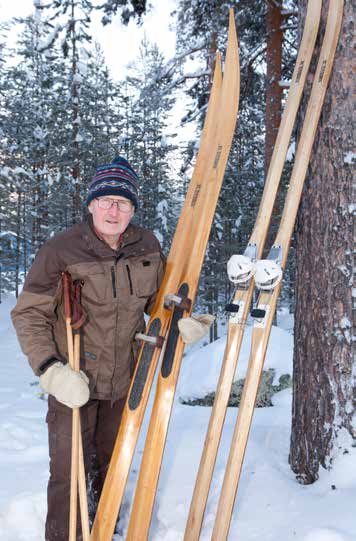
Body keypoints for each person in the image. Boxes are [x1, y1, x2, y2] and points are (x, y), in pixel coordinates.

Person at [11, 156, 166, 540]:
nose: (114, 210)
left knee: (111, 465)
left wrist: (182, 321)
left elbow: (158, 302)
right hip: (73, 381)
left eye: (123, 203)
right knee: (70, 472)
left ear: (133, 209)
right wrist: (51, 370)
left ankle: (103, 529)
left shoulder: (147, 245)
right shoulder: (60, 251)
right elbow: (28, 314)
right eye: (106, 201)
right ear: (92, 204)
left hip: (122, 383)